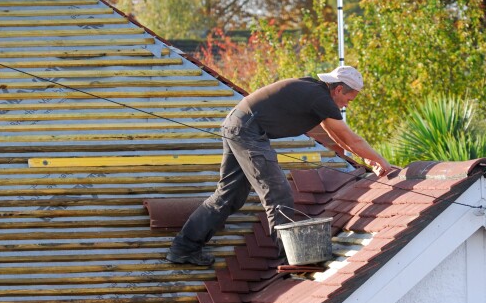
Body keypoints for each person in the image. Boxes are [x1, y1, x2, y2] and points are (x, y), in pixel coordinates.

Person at [166, 65, 393, 266]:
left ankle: (183, 249)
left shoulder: (315, 92)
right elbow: (350, 137)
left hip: (237, 125)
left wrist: (368, 158)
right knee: (278, 193)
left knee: (229, 196)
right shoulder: (320, 97)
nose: (347, 106)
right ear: (339, 89)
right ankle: (290, 256)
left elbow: (338, 136)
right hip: (248, 132)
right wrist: (383, 162)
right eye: (348, 100)